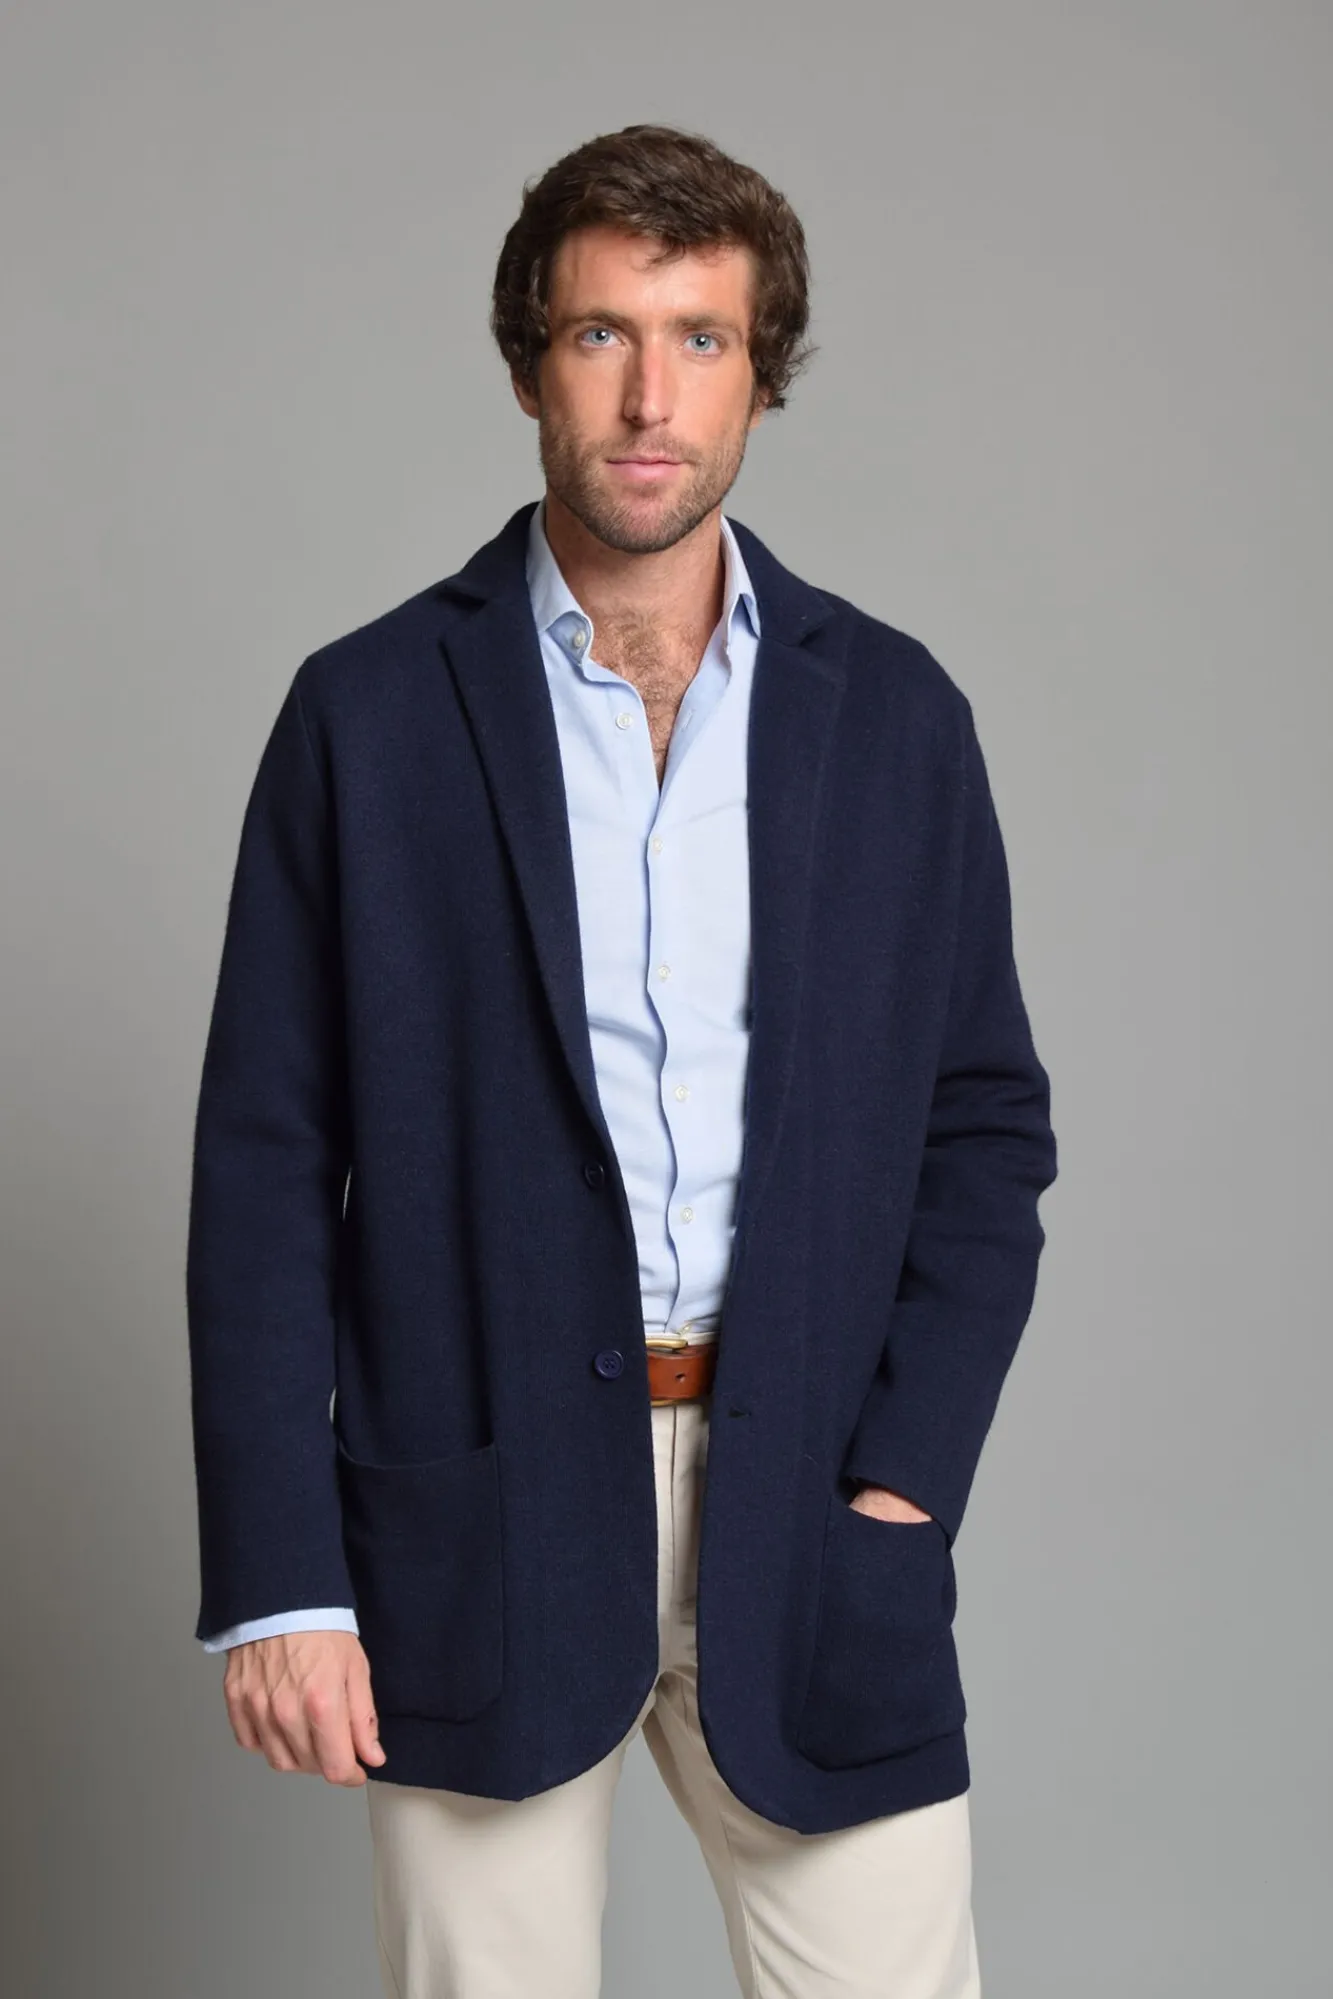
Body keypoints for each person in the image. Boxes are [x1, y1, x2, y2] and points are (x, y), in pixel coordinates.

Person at [185, 122, 1058, 1999]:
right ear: (529, 366)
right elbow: (265, 1163)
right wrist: (282, 1576)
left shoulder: (898, 718)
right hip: (481, 1498)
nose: (651, 399)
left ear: (762, 377)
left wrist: (907, 1476)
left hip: (810, 1497)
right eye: (601, 336)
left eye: (702, 340)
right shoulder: (367, 717)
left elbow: (986, 1126)